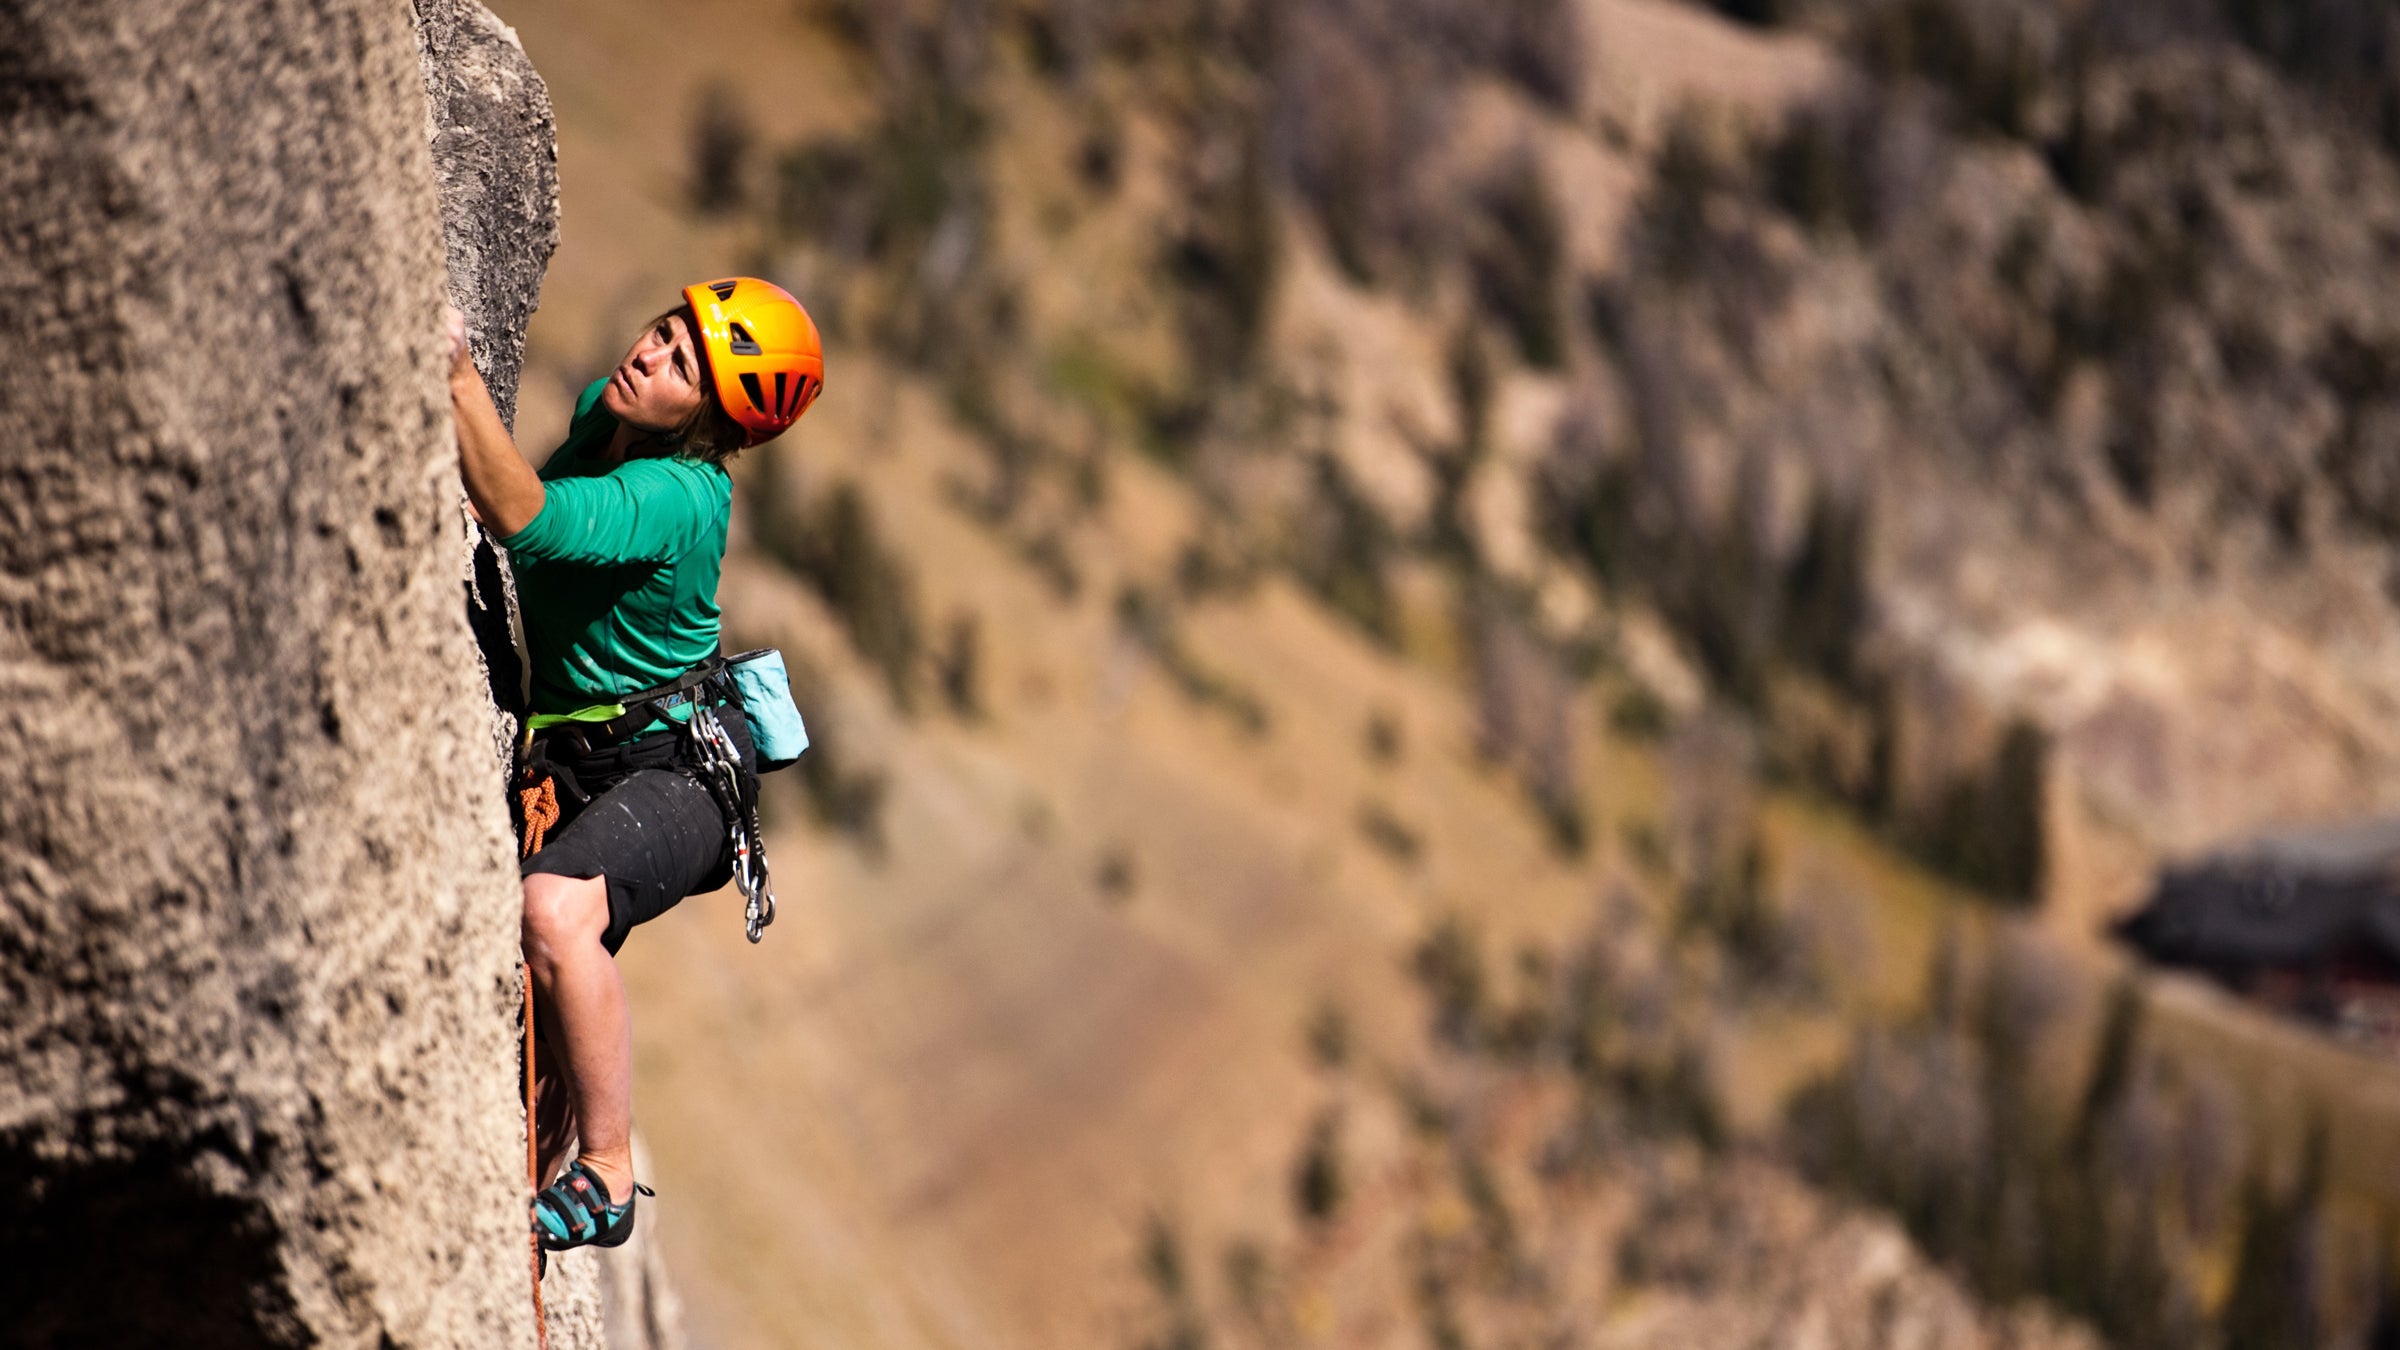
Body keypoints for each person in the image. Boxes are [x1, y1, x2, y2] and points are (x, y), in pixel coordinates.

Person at [445, 277, 824, 1255]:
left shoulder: (678, 496)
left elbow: (525, 516)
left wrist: (448, 370)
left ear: (707, 420)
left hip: (678, 777)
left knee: (556, 911)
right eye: (664, 332)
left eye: (683, 365)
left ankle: (607, 1174)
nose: (651, 355)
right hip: (599, 751)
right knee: (557, 929)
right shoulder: (602, 419)